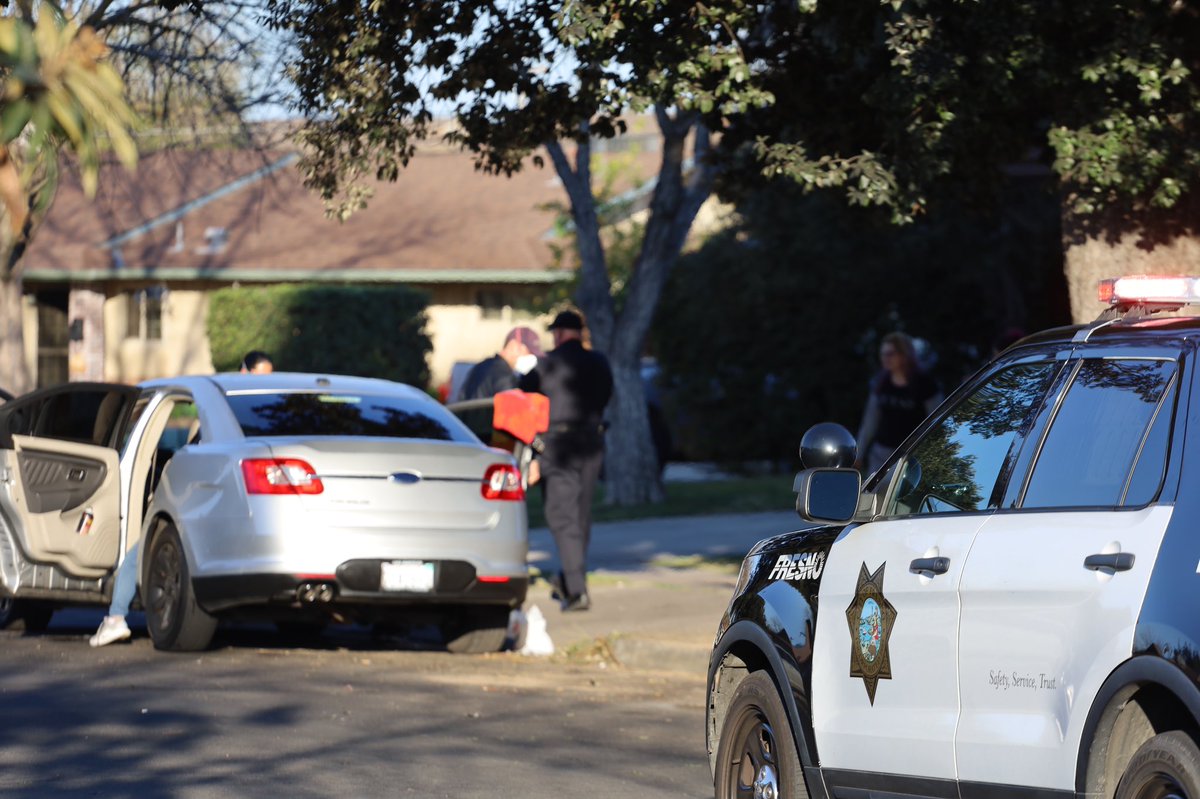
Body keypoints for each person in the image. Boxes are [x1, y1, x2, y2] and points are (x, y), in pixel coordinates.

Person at [519, 309, 613, 612]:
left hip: (558, 443)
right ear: (581, 333)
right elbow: (606, 396)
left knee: (562, 516)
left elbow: (524, 393)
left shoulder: (547, 363)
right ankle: (570, 577)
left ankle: (576, 590)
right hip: (592, 441)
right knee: (581, 514)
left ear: (559, 333)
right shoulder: (600, 362)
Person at [855, 331, 943, 476]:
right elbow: (869, 422)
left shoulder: (925, 385)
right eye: (883, 354)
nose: (886, 358)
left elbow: (937, 420)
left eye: (891, 353)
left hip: (911, 455)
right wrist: (859, 454)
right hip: (881, 454)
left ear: (904, 354)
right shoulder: (881, 383)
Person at [458, 326, 543, 401]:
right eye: (529, 352)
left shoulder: (481, 366)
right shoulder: (504, 376)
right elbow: (512, 411)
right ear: (514, 346)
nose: (532, 357)